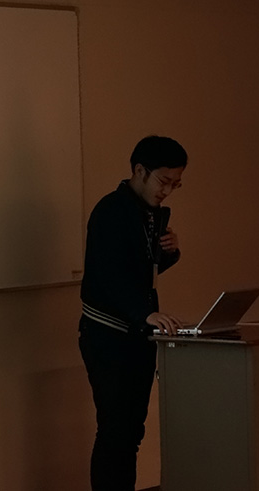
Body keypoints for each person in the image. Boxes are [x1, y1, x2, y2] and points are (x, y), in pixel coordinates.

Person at [79, 135, 188, 491]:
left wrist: (169, 253)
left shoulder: (149, 213)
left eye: (175, 184)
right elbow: (110, 276)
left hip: (137, 335)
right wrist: (146, 314)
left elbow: (141, 271)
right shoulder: (111, 210)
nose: (167, 191)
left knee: (131, 432)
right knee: (114, 431)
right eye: (163, 181)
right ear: (140, 171)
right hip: (107, 336)